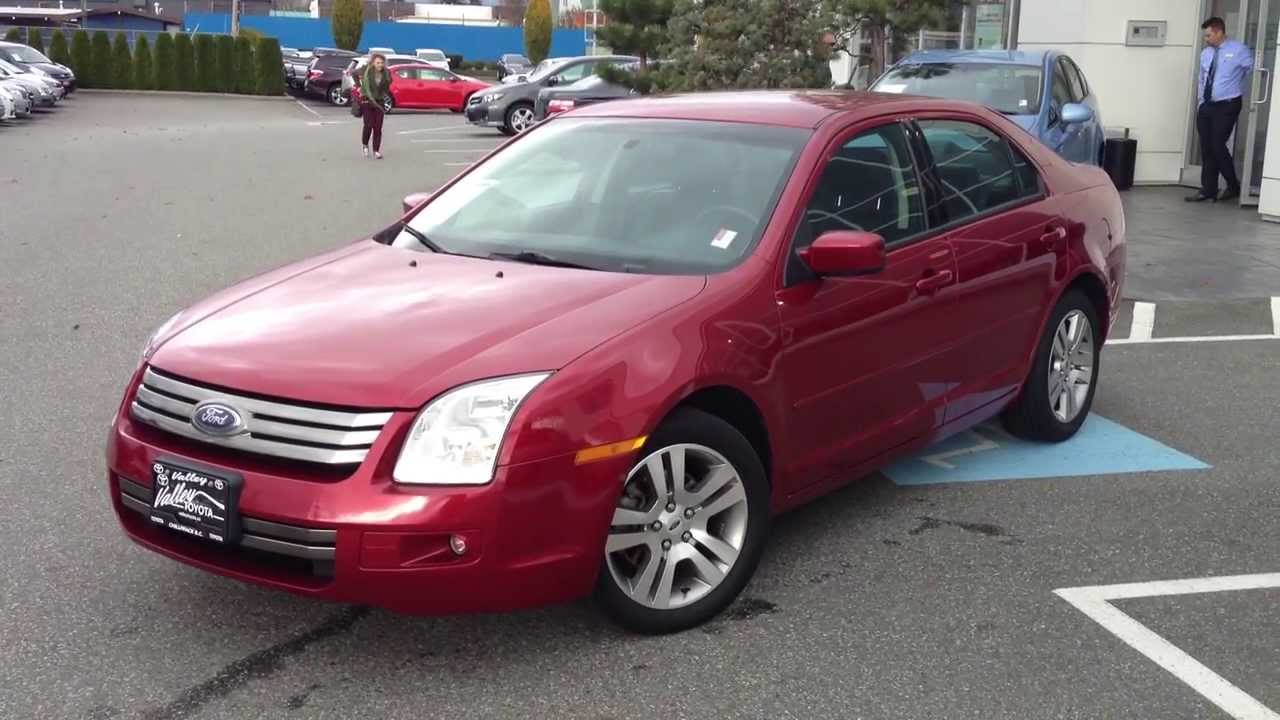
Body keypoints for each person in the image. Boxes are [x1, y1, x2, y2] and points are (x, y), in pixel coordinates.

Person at [1187, 16, 1254, 203]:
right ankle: (1208, 189)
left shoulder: (1239, 50)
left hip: (1227, 104)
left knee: (1217, 143)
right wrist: (1201, 101)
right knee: (1207, 147)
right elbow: (1202, 79)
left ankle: (1233, 184)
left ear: (1219, 32)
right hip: (1207, 105)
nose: (1206, 39)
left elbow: (1254, 71)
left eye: (1208, 35)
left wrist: (1245, 90)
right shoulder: (1206, 53)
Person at [360, 54, 392, 159]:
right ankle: (365, 145)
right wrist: (358, 86)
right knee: (368, 125)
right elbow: (353, 73)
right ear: (373, 63)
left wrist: (387, 78)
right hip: (367, 101)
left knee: (378, 128)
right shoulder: (367, 71)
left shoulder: (386, 73)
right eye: (378, 62)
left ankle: (376, 151)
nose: (380, 65)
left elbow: (387, 87)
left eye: (382, 63)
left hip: (379, 102)